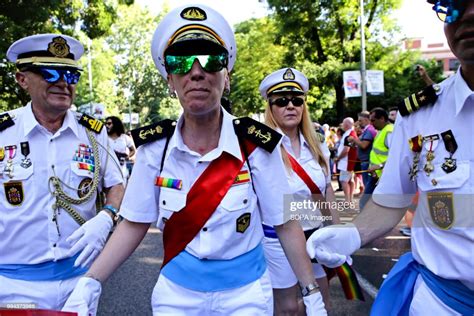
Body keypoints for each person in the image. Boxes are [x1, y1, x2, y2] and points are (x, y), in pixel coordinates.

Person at [63, 4, 326, 315]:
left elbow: (285, 224)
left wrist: (311, 293)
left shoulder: (256, 145)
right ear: (169, 81)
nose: (197, 71)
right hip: (176, 297)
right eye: (181, 61)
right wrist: (92, 280)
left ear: (226, 77)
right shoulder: (154, 148)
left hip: (245, 296)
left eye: (212, 60)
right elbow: (134, 222)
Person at [307, 1, 474, 314]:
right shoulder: (421, 115)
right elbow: (393, 200)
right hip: (442, 304)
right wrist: (353, 233)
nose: (468, 15)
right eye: (454, 5)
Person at [0, 34, 124, 310]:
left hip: (78, 280)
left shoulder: (93, 132)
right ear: (22, 79)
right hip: (12, 286)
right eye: (50, 72)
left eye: (71, 74)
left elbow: (116, 185)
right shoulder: (3, 133)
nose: (63, 82)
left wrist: (107, 216)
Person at [259, 67, 339, 313]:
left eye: (297, 100)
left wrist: (337, 233)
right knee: (288, 309)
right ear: (270, 108)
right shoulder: (261, 148)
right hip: (277, 239)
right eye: (281, 101)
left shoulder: (316, 144)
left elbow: (325, 190)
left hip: (314, 236)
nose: (290, 106)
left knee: (321, 303)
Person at [105, 116, 136, 182]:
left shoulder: (125, 138)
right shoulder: (104, 137)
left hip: (122, 173)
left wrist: (127, 157)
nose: (107, 126)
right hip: (106, 173)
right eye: (106, 124)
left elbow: (133, 150)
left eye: (109, 123)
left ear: (116, 124)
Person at [334, 118, 357, 202]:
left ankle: (347, 200)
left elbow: (346, 149)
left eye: (343, 123)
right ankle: (350, 199)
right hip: (348, 161)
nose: (342, 125)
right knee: (350, 180)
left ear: (347, 124)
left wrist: (338, 158)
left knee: (344, 180)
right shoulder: (350, 133)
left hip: (346, 162)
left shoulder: (350, 134)